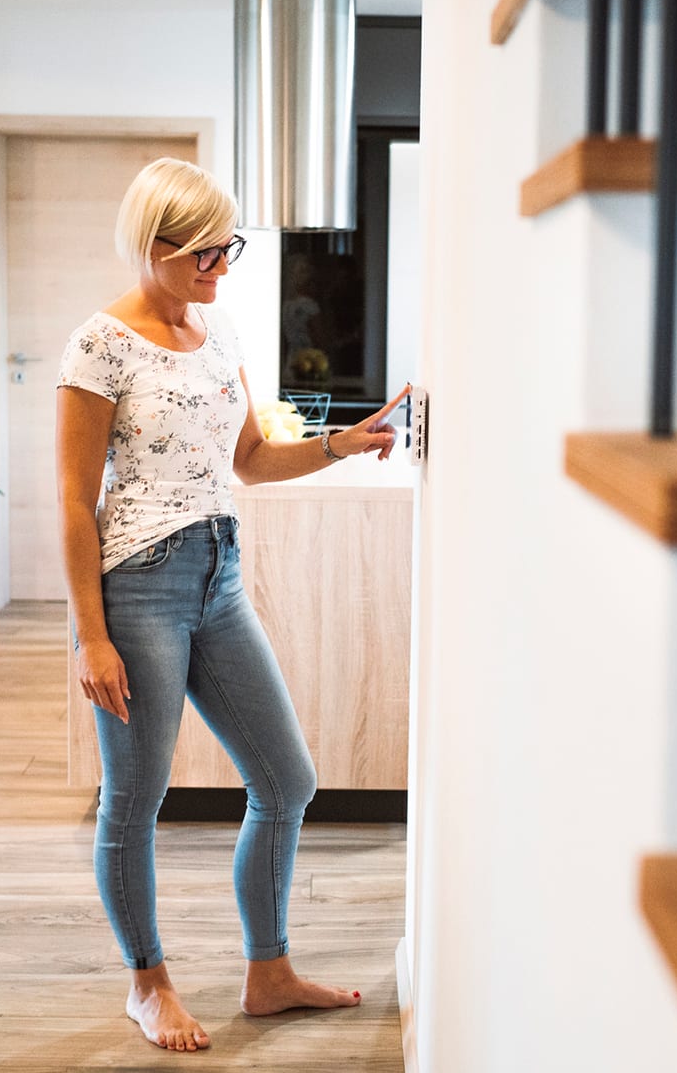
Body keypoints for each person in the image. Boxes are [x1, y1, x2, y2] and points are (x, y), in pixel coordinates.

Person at [55, 157, 409, 1053]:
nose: (221, 268)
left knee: (287, 780)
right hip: (138, 583)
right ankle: (149, 983)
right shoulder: (99, 344)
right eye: (205, 253)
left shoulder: (219, 333)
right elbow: (70, 498)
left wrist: (341, 443)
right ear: (155, 246)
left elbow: (249, 458)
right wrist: (91, 635)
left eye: (228, 249)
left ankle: (269, 972)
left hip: (219, 575)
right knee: (136, 798)